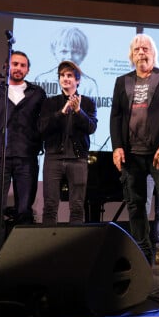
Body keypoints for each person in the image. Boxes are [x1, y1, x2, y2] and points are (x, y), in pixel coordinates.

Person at [110, 33, 159, 275]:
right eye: (137, 49)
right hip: (132, 154)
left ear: (153, 53)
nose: (142, 52)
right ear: (131, 55)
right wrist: (117, 146)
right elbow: (116, 116)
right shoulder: (122, 81)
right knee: (135, 205)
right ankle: (142, 253)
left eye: (146, 48)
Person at [0, 51, 47, 273]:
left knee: (24, 207)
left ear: (28, 69)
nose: (18, 68)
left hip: (27, 155)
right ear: (7, 65)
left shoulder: (38, 93)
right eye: (15, 63)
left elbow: (42, 123)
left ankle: (22, 253)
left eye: (23, 65)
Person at [39, 60, 98, 225]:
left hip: (78, 159)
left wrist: (79, 111)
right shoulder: (49, 103)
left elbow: (91, 127)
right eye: (62, 76)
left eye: (69, 75)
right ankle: (49, 247)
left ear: (77, 80)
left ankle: (75, 249)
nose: (65, 79)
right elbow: (42, 128)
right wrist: (62, 112)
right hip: (53, 159)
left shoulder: (87, 102)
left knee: (77, 207)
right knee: (50, 206)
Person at [34, 26, 98, 99]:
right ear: (54, 52)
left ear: (84, 54)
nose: (69, 56)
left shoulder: (89, 85)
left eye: (76, 52)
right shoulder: (42, 79)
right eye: (64, 51)